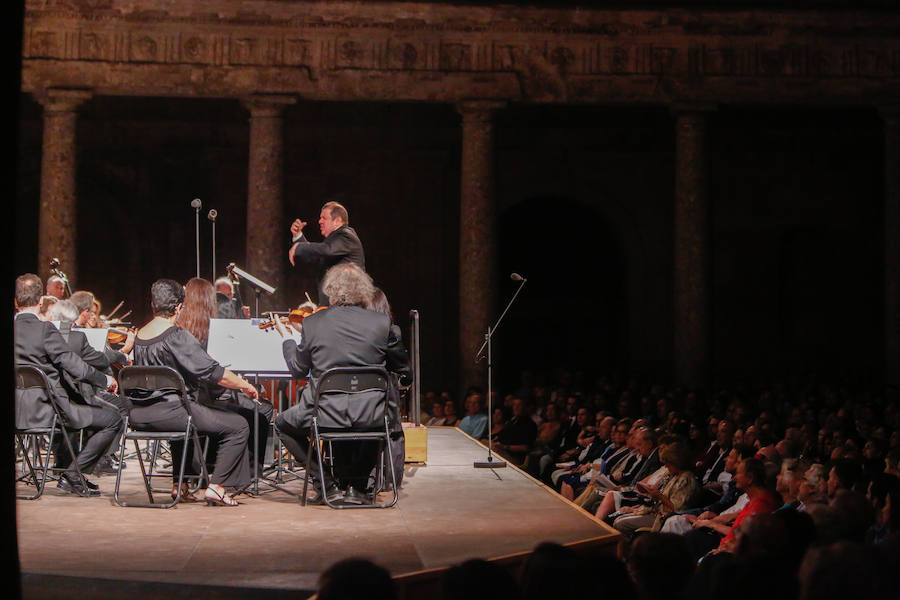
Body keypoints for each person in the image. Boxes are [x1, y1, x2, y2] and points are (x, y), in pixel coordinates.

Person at [272, 263, 409, 504]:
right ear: (364, 290)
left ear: (331, 290)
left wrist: (287, 342)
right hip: (372, 416)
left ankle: (326, 483)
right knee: (375, 417)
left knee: (283, 424)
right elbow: (404, 369)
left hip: (324, 414)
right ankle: (357, 487)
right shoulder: (381, 324)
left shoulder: (313, 323)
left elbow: (297, 370)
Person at [128, 278, 260, 506]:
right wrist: (245, 385)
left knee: (187, 420)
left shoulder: (140, 336)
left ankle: (179, 485)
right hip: (173, 413)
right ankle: (217, 487)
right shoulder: (176, 335)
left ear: (154, 305)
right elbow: (212, 372)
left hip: (140, 414)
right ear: (179, 307)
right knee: (238, 426)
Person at [14, 273, 122, 496]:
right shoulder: (44, 331)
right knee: (113, 418)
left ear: (15, 302)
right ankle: (73, 473)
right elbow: (78, 368)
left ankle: (70, 471)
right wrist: (106, 379)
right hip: (46, 412)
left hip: (17, 411)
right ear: (41, 301)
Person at [177, 277, 274, 472]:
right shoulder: (213, 331)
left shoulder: (178, 330)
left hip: (183, 401)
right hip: (206, 400)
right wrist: (242, 384)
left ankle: (215, 463)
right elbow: (216, 375)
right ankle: (250, 471)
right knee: (262, 412)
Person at [287, 200, 365, 306]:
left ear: (337, 221)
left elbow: (327, 249)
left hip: (346, 307)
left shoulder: (346, 235)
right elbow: (316, 256)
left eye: (324, 218)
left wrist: (299, 247)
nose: (319, 221)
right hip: (333, 307)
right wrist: (298, 237)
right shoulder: (334, 242)